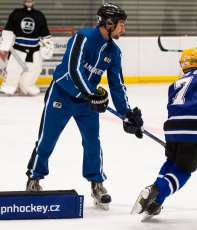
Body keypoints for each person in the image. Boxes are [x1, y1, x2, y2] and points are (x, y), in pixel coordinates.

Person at [25, 3, 143, 210]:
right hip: (61, 94)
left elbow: (117, 85)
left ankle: (97, 184)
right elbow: (73, 70)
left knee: (92, 142)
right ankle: (34, 178)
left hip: (87, 103)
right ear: (109, 23)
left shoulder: (114, 52)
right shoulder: (83, 38)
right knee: (47, 139)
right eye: (121, 25)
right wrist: (91, 93)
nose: (123, 29)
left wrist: (127, 113)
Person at [132, 48, 197, 219]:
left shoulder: (175, 84)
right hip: (195, 127)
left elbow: (188, 108)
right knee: (184, 170)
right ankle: (157, 190)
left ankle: (155, 200)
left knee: (172, 162)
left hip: (172, 129)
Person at [0, 0, 54, 96]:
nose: (28, 1)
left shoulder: (39, 15)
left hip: (34, 50)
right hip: (18, 49)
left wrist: (47, 46)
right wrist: (4, 46)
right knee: (13, 69)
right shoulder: (16, 14)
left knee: (35, 70)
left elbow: (45, 33)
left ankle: (27, 86)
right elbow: (8, 30)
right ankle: (10, 87)